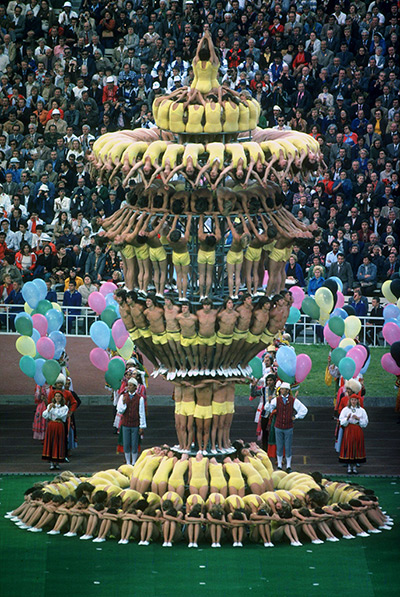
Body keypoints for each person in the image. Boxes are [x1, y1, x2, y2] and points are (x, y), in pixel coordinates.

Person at [264, 382, 308, 472]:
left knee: (288, 446)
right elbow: (267, 408)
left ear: (287, 390)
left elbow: (304, 410)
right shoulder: (276, 400)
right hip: (278, 426)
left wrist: (296, 416)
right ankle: (279, 465)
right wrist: (268, 402)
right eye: (281, 389)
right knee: (279, 446)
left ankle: (288, 466)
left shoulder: (293, 400)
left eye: (283, 389)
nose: (281, 390)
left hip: (288, 426)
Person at [116, 378, 147, 465]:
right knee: (126, 443)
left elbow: (141, 412)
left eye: (130, 385)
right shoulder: (123, 397)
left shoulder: (139, 398)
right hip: (125, 424)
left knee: (134, 443)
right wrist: (124, 403)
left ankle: (134, 461)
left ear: (135, 387)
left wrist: (142, 426)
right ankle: (128, 461)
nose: (128, 387)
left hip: (135, 424)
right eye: (128, 385)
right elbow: (120, 410)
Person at [339, 394, 368, 475]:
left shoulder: (361, 410)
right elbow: (342, 421)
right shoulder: (345, 409)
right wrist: (347, 418)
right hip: (348, 429)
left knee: (356, 447)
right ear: (350, 401)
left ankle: (354, 468)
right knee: (348, 446)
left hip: (357, 429)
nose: (353, 402)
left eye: (355, 400)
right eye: (352, 400)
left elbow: (365, 422)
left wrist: (358, 418)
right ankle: (349, 467)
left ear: (357, 401)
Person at [42, 391, 69, 470]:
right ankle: (51, 463)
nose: (57, 398)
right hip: (52, 425)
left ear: (61, 398)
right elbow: (45, 415)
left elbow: (61, 415)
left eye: (59, 396)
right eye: (56, 396)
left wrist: (53, 409)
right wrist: (49, 409)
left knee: (58, 443)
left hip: (59, 425)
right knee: (51, 442)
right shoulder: (51, 405)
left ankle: (57, 462)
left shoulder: (64, 407)